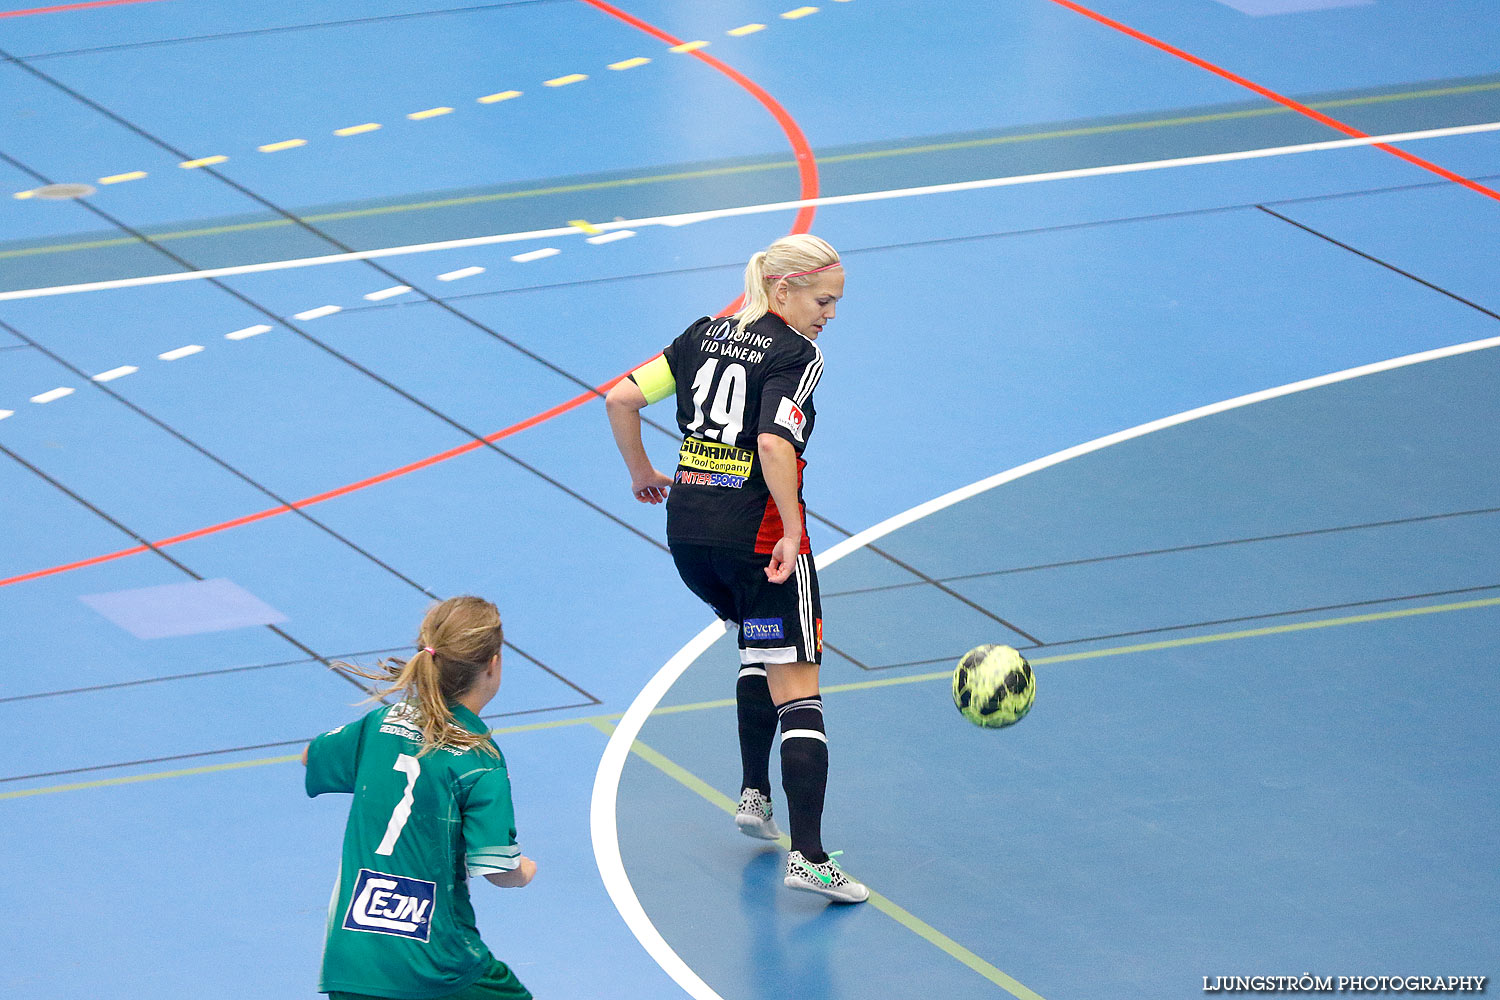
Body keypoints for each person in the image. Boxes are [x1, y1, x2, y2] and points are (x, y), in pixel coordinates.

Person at [606, 233, 867, 904]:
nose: (829, 315)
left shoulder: (702, 334)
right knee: (800, 686)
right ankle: (808, 857)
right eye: (824, 300)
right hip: (758, 536)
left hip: (690, 538)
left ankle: (755, 793)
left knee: (761, 642)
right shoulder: (797, 353)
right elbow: (776, 442)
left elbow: (620, 398)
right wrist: (795, 528)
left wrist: (641, 472)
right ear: (783, 291)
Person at [302, 596, 538, 1000]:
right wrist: (526, 870)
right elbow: (499, 869)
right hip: (438, 965)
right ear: (493, 664)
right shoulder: (480, 759)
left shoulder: (380, 722)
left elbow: (312, 756)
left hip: (353, 960)